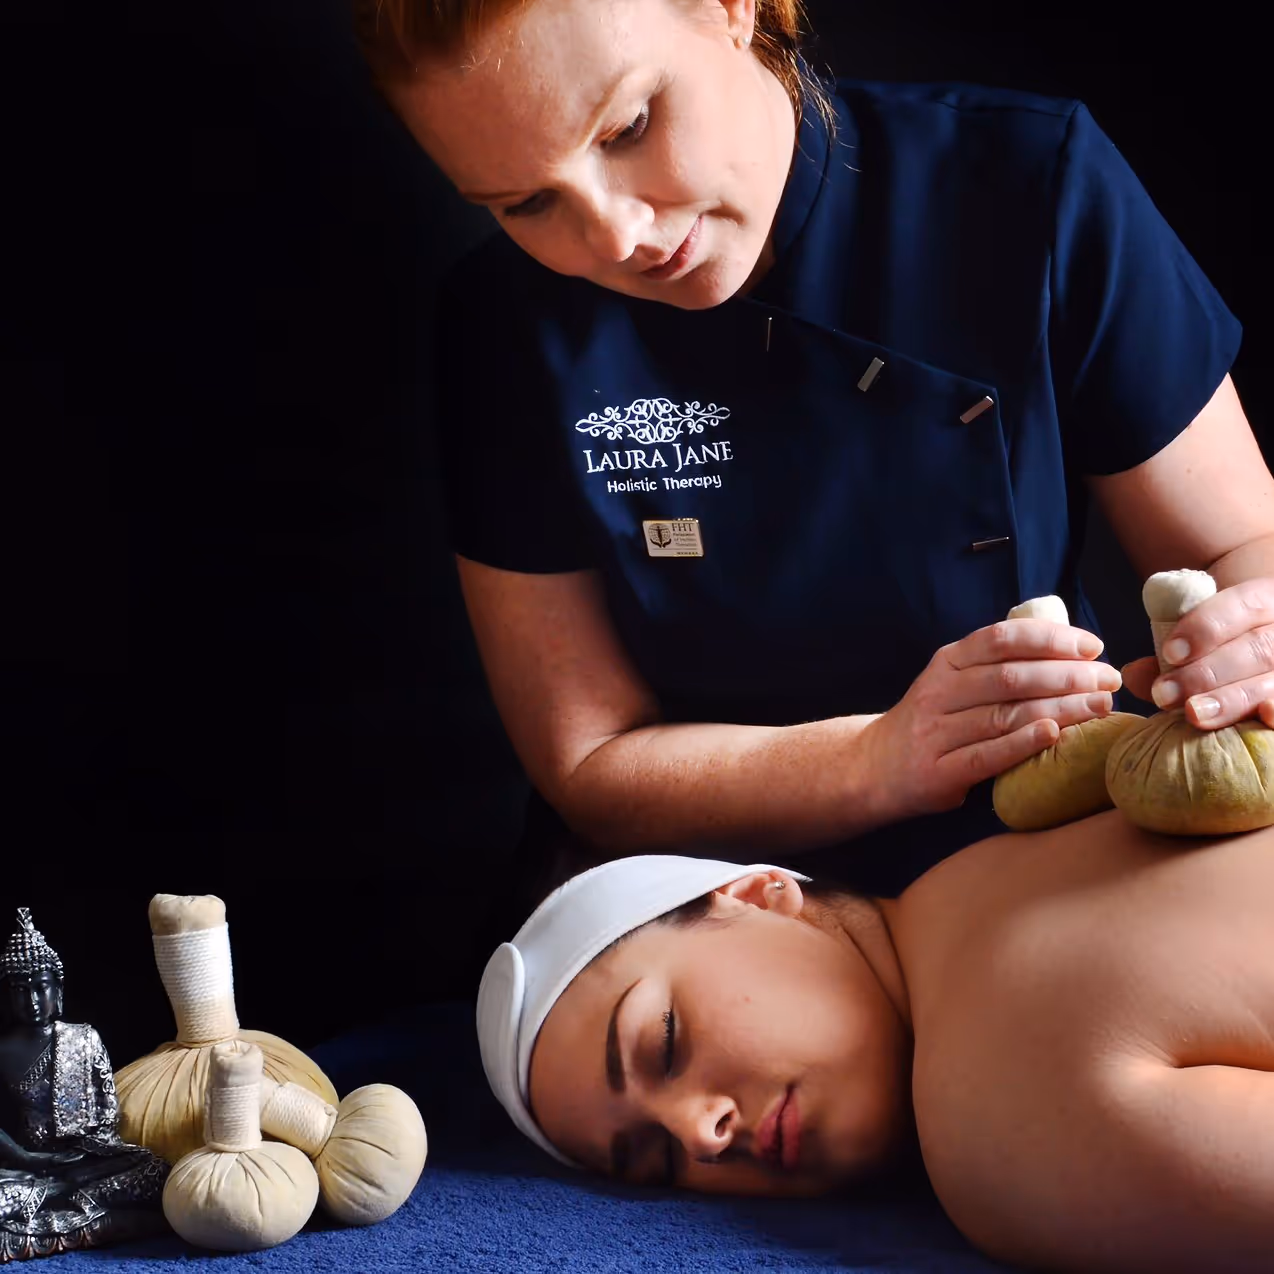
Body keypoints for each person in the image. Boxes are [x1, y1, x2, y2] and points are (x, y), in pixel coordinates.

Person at [350, 0, 1274, 899]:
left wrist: (1245, 641)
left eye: (627, 127)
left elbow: (1241, 548)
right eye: (526, 203)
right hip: (710, 889)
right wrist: (881, 756)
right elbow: (591, 762)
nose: (615, 235)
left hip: (1043, 820)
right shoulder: (502, 327)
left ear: (732, 7)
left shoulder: (1028, 180)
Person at [475, 814, 1274, 1273]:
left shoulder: (993, 1124)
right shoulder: (1041, 840)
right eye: (656, 1163)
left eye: (665, 1042)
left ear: (761, 895)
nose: (700, 1135)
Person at [0, 909, 168, 1262]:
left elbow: (108, 1114)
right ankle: (101, 1223)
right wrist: (28, 1158)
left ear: (57, 990)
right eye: (19, 991)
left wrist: (86, 1155)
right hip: (27, 1170)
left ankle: (45, 1217)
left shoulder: (83, 1039)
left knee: (154, 1169)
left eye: (40, 988)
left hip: (86, 1164)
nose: (31, 1001)